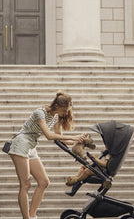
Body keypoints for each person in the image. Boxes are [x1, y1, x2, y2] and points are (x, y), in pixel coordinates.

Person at [7, 91, 86, 219]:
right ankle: (26, 218)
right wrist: (73, 136)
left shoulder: (55, 117)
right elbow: (49, 136)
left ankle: (32, 216)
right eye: (65, 110)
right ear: (57, 106)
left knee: (44, 182)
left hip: (31, 146)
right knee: (25, 184)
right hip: (21, 143)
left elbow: (61, 138)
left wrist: (77, 140)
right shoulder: (40, 113)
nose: (66, 113)